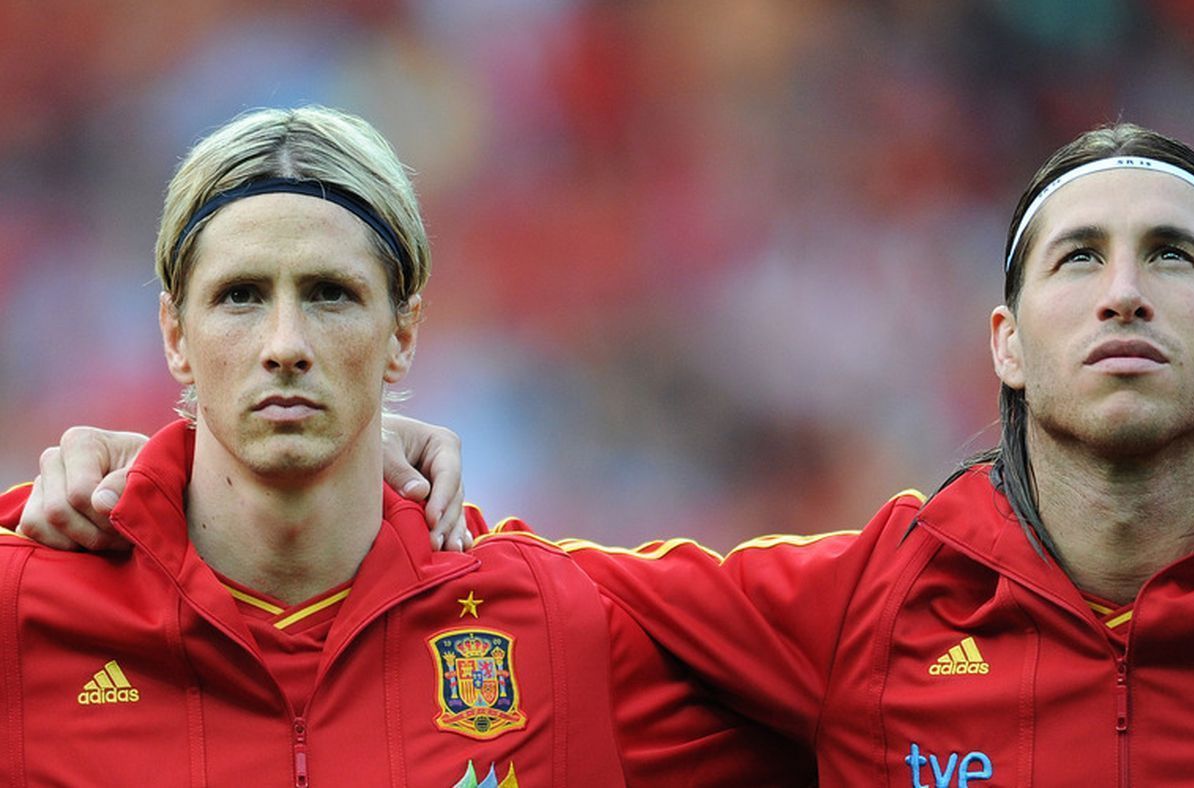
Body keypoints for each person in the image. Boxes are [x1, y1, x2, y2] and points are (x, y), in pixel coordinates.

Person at [22, 123, 1194, 785]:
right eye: (1079, 260)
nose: (1123, 295)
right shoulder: (858, 612)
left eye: (1173, 258)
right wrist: (143, 477)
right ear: (1003, 342)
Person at [0, 105, 812, 786]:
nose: (285, 342)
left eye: (331, 295)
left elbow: (891, 613)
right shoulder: (28, 614)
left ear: (403, 333)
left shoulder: (560, 626)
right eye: (241, 296)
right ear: (176, 335)